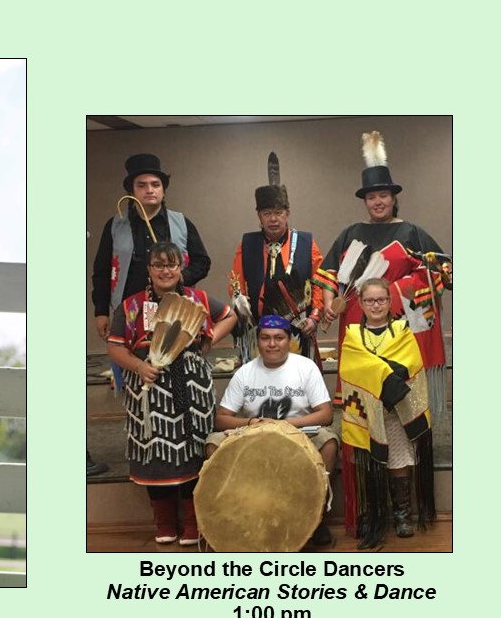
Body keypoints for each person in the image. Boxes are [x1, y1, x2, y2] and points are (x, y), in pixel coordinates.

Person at [318, 130, 450, 535]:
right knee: (363, 417)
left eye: (384, 195)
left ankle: (404, 508)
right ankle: (368, 507)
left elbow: (443, 271)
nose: (377, 202)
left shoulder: (412, 233)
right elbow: (326, 277)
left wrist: (395, 290)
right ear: (364, 200)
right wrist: (328, 302)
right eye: (371, 196)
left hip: (400, 339)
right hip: (359, 339)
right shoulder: (350, 234)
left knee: (399, 418)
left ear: (394, 197)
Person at [108, 239, 235, 545]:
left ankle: (193, 523)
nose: (166, 271)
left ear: (181, 268)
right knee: (154, 452)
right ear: (149, 270)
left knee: (193, 451)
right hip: (148, 391)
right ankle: (164, 522)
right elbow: (115, 346)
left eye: (172, 264)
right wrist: (139, 368)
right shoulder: (131, 305)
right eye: (159, 265)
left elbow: (230, 315)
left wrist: (208, 339)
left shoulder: (198, 298)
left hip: (191, 388)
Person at [207, 314, 337, 549]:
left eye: (279, 338)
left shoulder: (305, 367)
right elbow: (221, 418)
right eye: (265, 338)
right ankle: (233, 515)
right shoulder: (245, 372)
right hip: (254, 433)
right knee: (213, 442)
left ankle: (316, 516)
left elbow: (325, 414)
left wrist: (283, 426)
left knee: (328, 441)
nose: (272, 343)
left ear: (289, 340)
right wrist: (251, 423)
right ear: (258, 342)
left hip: (298, 432)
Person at [339, 278, 434, 549]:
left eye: (381, 299)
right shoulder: (353, 333)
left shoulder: (402, 329)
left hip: (396, 409)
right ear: (361, 303)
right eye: (369, 300)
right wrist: (383, 372)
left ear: (389, 302)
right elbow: (351, 367)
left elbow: (410, 363)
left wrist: (375, 370)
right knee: (369, 461)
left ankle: (402, 513)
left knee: (398, 459)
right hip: (366, 410)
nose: (376, 305)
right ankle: (374, 511)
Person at [91, 151, 211, 352]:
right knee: (132, 367)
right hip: (128, 310)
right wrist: (100, 311)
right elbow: (102, 272)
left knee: (172, 362)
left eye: (155, 184)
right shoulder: (114, 225)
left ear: (163, 190)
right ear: (131, 191)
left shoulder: (181, 222)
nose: (149, 190)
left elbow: (202, 262)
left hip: (175, 309)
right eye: (142, 185)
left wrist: (180, 277)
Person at [227, 154, 326, 362]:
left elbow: (319, 282)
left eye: (278, 212)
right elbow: (236, 287)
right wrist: (243, 313)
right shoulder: (247, 244)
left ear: (287, 213)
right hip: (259, 333)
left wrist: (315, 316)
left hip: (299, 330)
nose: (273, 219)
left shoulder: (306, 242)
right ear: (259, 216)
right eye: (267, 213)